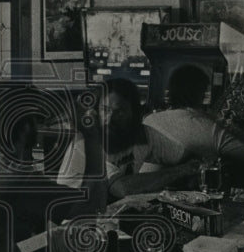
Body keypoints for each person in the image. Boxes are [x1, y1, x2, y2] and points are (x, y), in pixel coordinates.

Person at [0, 85, 107, 239]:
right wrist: (93, 137)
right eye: (37, 121)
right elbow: (91, 207)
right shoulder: (20, 179)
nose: (41, 127)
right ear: (26, 128)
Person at [57, 78, 204, 200]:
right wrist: (182, 171)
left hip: (110, 216)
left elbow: (184, 157)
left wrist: (193, 168)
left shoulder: (143, 134)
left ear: (135, 112)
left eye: (120, 111)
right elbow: (122, 188)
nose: (110, 119)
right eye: (105, 110)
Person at [144, 64, 244, 174]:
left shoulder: (150, 119)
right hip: (171, 194)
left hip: (140, 190)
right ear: (200, 93)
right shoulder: (205, 128)